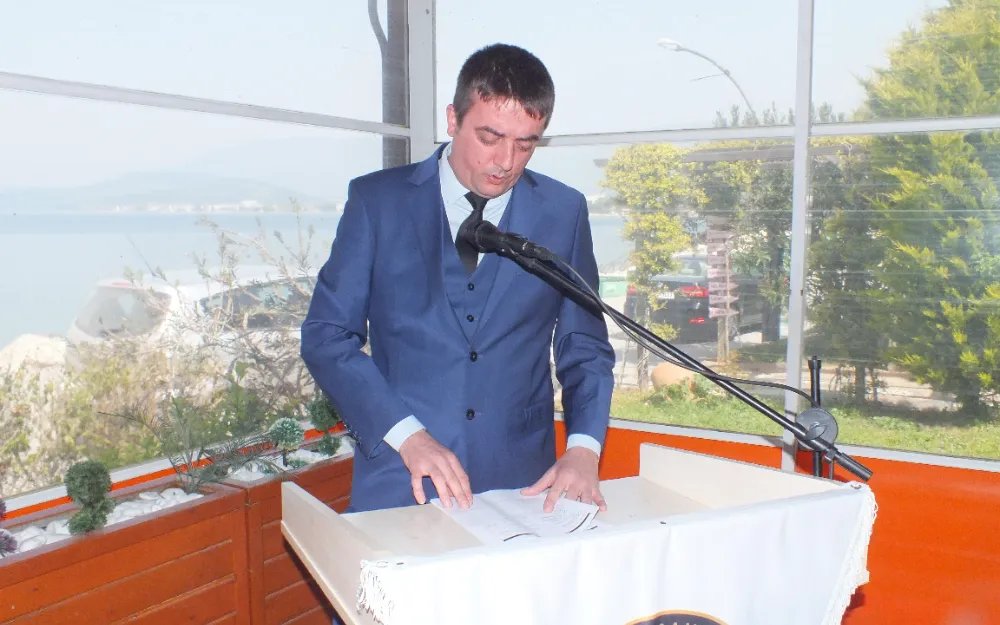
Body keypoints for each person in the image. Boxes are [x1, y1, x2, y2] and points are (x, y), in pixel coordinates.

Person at [301, 42, 615, 517]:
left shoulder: (564, 211)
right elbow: (326, 337)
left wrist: (584, 449)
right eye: (490, 137)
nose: (506, 161)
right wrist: (408, 436)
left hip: (525, 484)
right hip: (400, 474)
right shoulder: (376, 202)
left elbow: (584, 346)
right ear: (453, 119)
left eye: (526, 143)